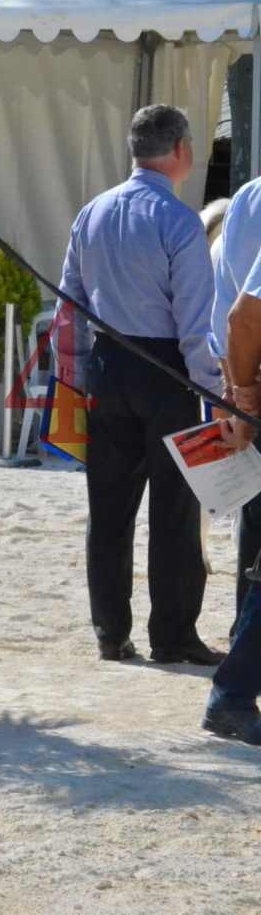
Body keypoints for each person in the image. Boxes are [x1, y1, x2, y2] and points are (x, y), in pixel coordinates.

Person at [52, 104, 221, 665]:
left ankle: (110, 631)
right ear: (179, 151)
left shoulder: (92, 213)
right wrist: (214, 391)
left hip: (106, 365)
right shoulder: (178, 222)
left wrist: (75, 376)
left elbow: (68, 304)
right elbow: (195, 322)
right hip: (166, 368)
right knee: (173, 509)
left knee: (109, 508)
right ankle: (171, 635)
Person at [205, 175, 261, 743]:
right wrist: (242, 399)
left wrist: (234, 392)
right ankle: (234, 691)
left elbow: (227, 310)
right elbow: (244, 315)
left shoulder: (249, 195)